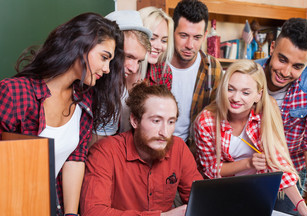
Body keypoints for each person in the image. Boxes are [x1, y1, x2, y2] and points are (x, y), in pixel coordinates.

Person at [0, 12, 124, 216]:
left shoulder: (84, 99)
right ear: (81, 46)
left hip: (55, 215)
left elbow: (75, 159)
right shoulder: (13, 93)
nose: (107, 69)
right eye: (104, 57)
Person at [194, 60, 307, 216]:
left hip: (258, 192)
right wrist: (248, 163)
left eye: (245, 93)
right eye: (230, 89)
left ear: (258, 95)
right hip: (222, 194)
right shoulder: (206, 121)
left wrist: (304, 210)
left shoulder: (266, 113)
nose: (235, 98)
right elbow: (210, 171)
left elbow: (278, 161)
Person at [80, 83, 203, 216]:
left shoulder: (179, 148)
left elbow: (200, 203)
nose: (164, 132)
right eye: (156, 121)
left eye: (171, 122)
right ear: (135, 121)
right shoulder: (105, 152)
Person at [256, 18, 307, 214]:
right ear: (272, 47)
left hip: (290, 173)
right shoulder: (250, 74)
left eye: (297, 66)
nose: (285, 72)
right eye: (282, 59)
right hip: (251, 171)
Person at [163, 0, 223, 144]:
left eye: (197, 38)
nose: (190, 45)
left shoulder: (212, 68)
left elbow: (217, 116)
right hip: (155, 145)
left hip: (191, 150)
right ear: (172, 31)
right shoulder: (157, 63)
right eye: (183, 36)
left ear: (205, 34)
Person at [89, 10, 151, 144]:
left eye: (139, 61)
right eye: (129, 56)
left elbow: (98, 148)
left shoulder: (116, 90)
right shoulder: (79, 83)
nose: (134, 68)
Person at [137, 6, 174, 90]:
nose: (158, 47)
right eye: (152, 38)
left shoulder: (163, 72)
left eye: (164, 41)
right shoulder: (112, 68)